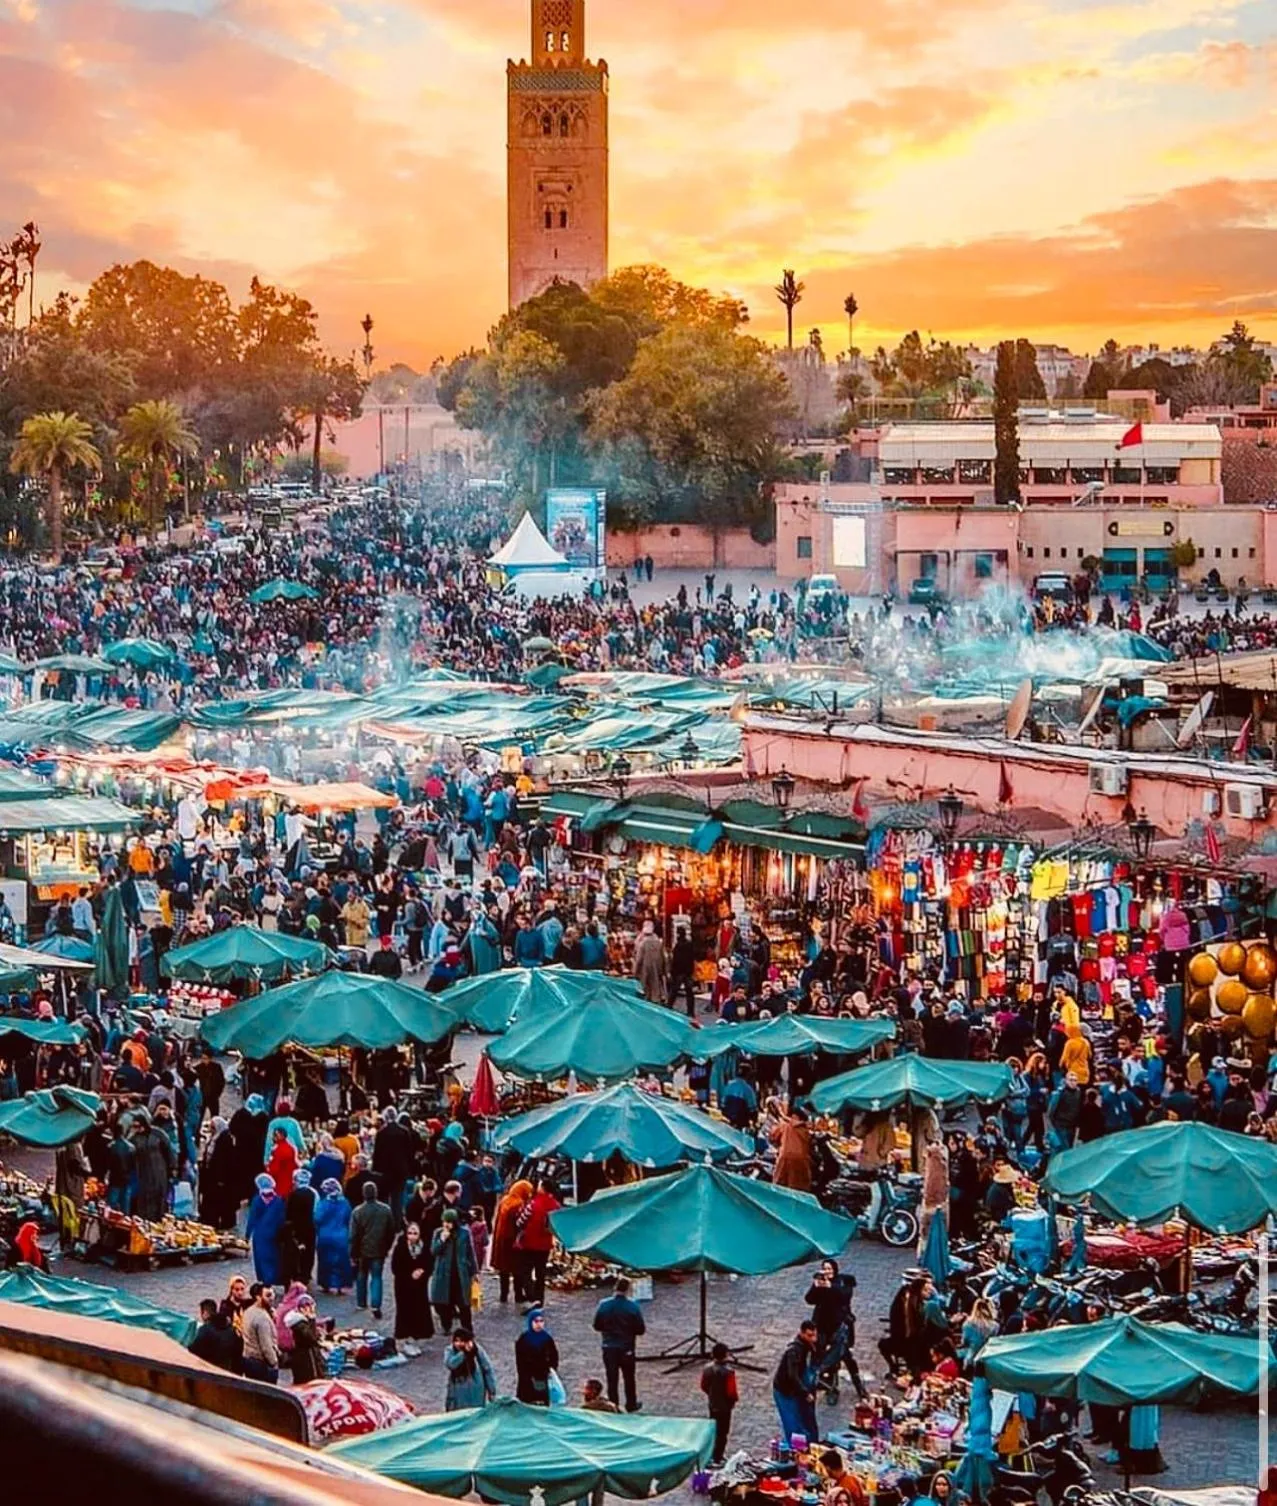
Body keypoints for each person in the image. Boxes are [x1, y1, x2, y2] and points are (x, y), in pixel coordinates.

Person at [805, 1259, 866, 1401]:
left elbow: (844, 1297)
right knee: (823, 1355)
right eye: (824, 1269)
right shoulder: (821, 1284)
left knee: (846, 1357)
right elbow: (809, 1299)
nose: (827, 1271)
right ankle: (831, 1387)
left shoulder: (843, 1282)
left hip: (840, 1326)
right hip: (823, 1326)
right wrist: (816, 1287)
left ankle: (859, 1386)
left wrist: (830, 1286)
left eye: (829, 1268)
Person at [593, 1275, 646, 1413]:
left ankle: (613, 1405)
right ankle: (631, 1403)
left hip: (609, 1346)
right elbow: (640, 1329)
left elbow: (596, 1325)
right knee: (629, 1377)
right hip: (626, 1347)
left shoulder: (604, 1305)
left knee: (612, 1378)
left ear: (615, 1287)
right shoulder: (633, 1306)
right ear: (628, 1290)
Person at [350, 1180, 395, 1319]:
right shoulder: (385, 1210)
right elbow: (391, 1231)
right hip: (379, 1249)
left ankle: (361, 1302)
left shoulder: (358, 1211)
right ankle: (376, 1305)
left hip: (363, 1250)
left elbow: (354, 1235)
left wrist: (353, 1253)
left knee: (361, 1276)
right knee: (377, 1277)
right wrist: (386, 1247)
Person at [430, 1208, 478, 1334]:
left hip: (460, 1273)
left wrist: (474, 1272)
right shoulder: (438, 1233)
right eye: (444, 1222)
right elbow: (434, 1251)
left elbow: (470, 1253)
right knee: (443, 1302)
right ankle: (446, 1325)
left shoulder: (464, 1233)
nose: (446, 1225)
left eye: (449, 1222)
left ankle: (467, 1328)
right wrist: (442, 1240)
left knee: (463, 1303)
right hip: (444, 1274)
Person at [773, 1320, 820, 1446]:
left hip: (795, 1390)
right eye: (810, 1336)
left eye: (814, 1335)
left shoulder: (808, 1347)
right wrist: (805, 1392)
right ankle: (794, 1451)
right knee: (792, 1424)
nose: (813, 1339)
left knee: (801, 1422)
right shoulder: (794, 1351)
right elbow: (792, 1376)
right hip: (785, 1391)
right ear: (802, 1333)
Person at [392, 1219, 435, 1355]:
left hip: (419, 1286)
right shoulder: (400, 1247)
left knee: (418, 1311)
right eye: (409, 1233)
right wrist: (409, 1274)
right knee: (405, 1311)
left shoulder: (424, 1247)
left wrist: (423, 1271)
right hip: (403, 1285)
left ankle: (414, 1338)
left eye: (415, 1233)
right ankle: (405, 1340)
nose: (412, 1236)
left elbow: (430, 1263)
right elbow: (395, 1267)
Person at [516, 1178, 560, 1309]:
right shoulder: (556, 1205)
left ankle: (532, 1296)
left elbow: (520, 1221)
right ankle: (540, 1299)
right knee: (541, 1274)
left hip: (530, 1243)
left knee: (526, 1271)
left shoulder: (533, 1204)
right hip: (545, 1244)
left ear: (543, 1188)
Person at [492, 1179, 533, 1304]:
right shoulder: (518, 1204)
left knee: (503, 1269)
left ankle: (503, 1295)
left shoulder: (505, 1200)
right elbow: (520, 1224)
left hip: (501, 1239)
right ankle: (518, 1295)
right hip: (513, 1240)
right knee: (517, 1270)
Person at [132, 1109, 176, 1220]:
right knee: (145, 1199)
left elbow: (169, 1150)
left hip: (159, 1171)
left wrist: (173, 1168)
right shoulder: (135, 1138)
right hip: (144, 1173)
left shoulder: (158, 1134)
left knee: (160, 1197)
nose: (137, 1129)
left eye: (138, 1126)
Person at [700, 1342, 739, 1465]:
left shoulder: (707, 1369)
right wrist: (733, 1400)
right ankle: (718, 1456)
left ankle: (711, 1454)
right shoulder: (729, 1372)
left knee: (714, 1429)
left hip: (713, 1403)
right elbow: (731, 1391)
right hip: (725, 1406)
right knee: (723, 1432)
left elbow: (703, 1385)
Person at [245, 1174, 287, 1287]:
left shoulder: (257, 1200)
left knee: (262, 1258)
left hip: (260, 1235)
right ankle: (273, 1277)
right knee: (273, 1257)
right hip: (274, 1233)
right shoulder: (278, 1200)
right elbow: (282, 1218)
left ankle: (265, 1280)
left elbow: (252, 1218)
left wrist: (247, 1235)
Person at [314, 1177, 354, 1294]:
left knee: (326, 1261)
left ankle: (327, 1283)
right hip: (341, 1235)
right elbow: (349, 1218)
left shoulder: (323, 1203)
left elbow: (317, 1218)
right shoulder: (345, 1203)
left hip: (325, 1235)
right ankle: (341, 1285)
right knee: (341, 1261)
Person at [444, 1327, 497, 1412]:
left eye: (461, 1341)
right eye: (456, 1341)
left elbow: (487, 1369)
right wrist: (464, 1353)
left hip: (476, 1389)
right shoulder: (450, 1350)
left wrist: (492, 1391)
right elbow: (450, 1364)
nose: (458, 1344)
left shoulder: (477, 1350)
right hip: (458, 1390)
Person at [515, 1306, 560, 1406]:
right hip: (527, 1379)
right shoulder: (524, 1339)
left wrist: (551, 1370)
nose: (539, 1324)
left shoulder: (547, 1339)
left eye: (541, 1321)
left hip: (543, 1377)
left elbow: (554, 1356)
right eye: (536, 1321)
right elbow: (520, 1361)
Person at [199, 1116, 238, 1230]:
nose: (210, 1129)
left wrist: (221, 1178)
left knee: (218, 1201)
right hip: (211, 1175)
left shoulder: (225, 1139)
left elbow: (225, 1160)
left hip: (219, 1178)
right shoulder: (214, 1137)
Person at [190, 1297, 243, 1374]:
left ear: (205, 1313)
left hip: (210, 1373)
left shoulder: (205, 1330)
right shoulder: (231, 1330)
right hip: (229, 1372)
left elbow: (194, 1351)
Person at [241, 1282, 280, 1384]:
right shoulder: (262, 1318)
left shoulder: (248, 1311)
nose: (272, 1298)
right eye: (268, 1295)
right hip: (261, 1363)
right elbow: (266, 1346)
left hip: (248, 1359)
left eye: (272, 1294)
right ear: (258, 1297)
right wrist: (274, 1362)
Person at [285, 1167, 318, 1283]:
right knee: (309, 1251)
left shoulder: (294, 1194)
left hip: (296, 1227)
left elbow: (289, 1212)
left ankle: (297, 1273)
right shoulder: (313, 1193)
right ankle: (306, 1273)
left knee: (296, 1251)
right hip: (310, 1226)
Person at [770, 1105, 813, 1192]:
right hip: (801, 1160)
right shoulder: (805, 1129)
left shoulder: (784, 1125)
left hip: (784, 1157)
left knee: (779, 1187)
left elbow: (773, 1136)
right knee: (799, 1189)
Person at [285, 1304, 326, 1383]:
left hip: (300, 1358)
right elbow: (311, 1338)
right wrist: (312, 1319)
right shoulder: (301, 1325)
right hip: (306, 1360)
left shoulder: (297, 1323)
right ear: (302, 1309)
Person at [633, 919, 667, 1003]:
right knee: (655, 987)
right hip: (657, 968)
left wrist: (635, 972)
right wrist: (664, 970)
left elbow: (639, 958)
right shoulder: (658, 941)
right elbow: (664, 957)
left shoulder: (642, 942)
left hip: (645, 969)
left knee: (645, 989)